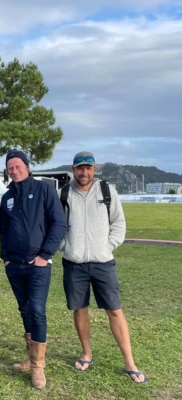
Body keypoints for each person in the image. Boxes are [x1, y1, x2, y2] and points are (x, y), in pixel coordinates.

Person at [59, 151, 148, 383]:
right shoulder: (64, 193)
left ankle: (130, 362)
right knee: (80, 309)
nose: (84, 172)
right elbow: (55, 225)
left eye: (88, 168)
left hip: (103, 263)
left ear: (94, 170)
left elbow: (119, 223)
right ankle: (86, 354)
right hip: (74, 263)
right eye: (80, 168)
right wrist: (65, 246)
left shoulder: (107, 191)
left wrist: (107, 247)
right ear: (73, 170)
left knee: (115, 310)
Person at [0, 149, 67, 390]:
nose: (14, 171)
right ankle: (30, 358)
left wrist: (45, 255)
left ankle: (38, 367)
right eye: (10, 168)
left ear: (27, 167)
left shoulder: (44, 190)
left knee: (37, 310)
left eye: (18, 166)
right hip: (14, 265)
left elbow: (59, 224)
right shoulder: (6, 196)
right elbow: (5, 229)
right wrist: (5, 257)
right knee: (25, 309)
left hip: (38, 265)